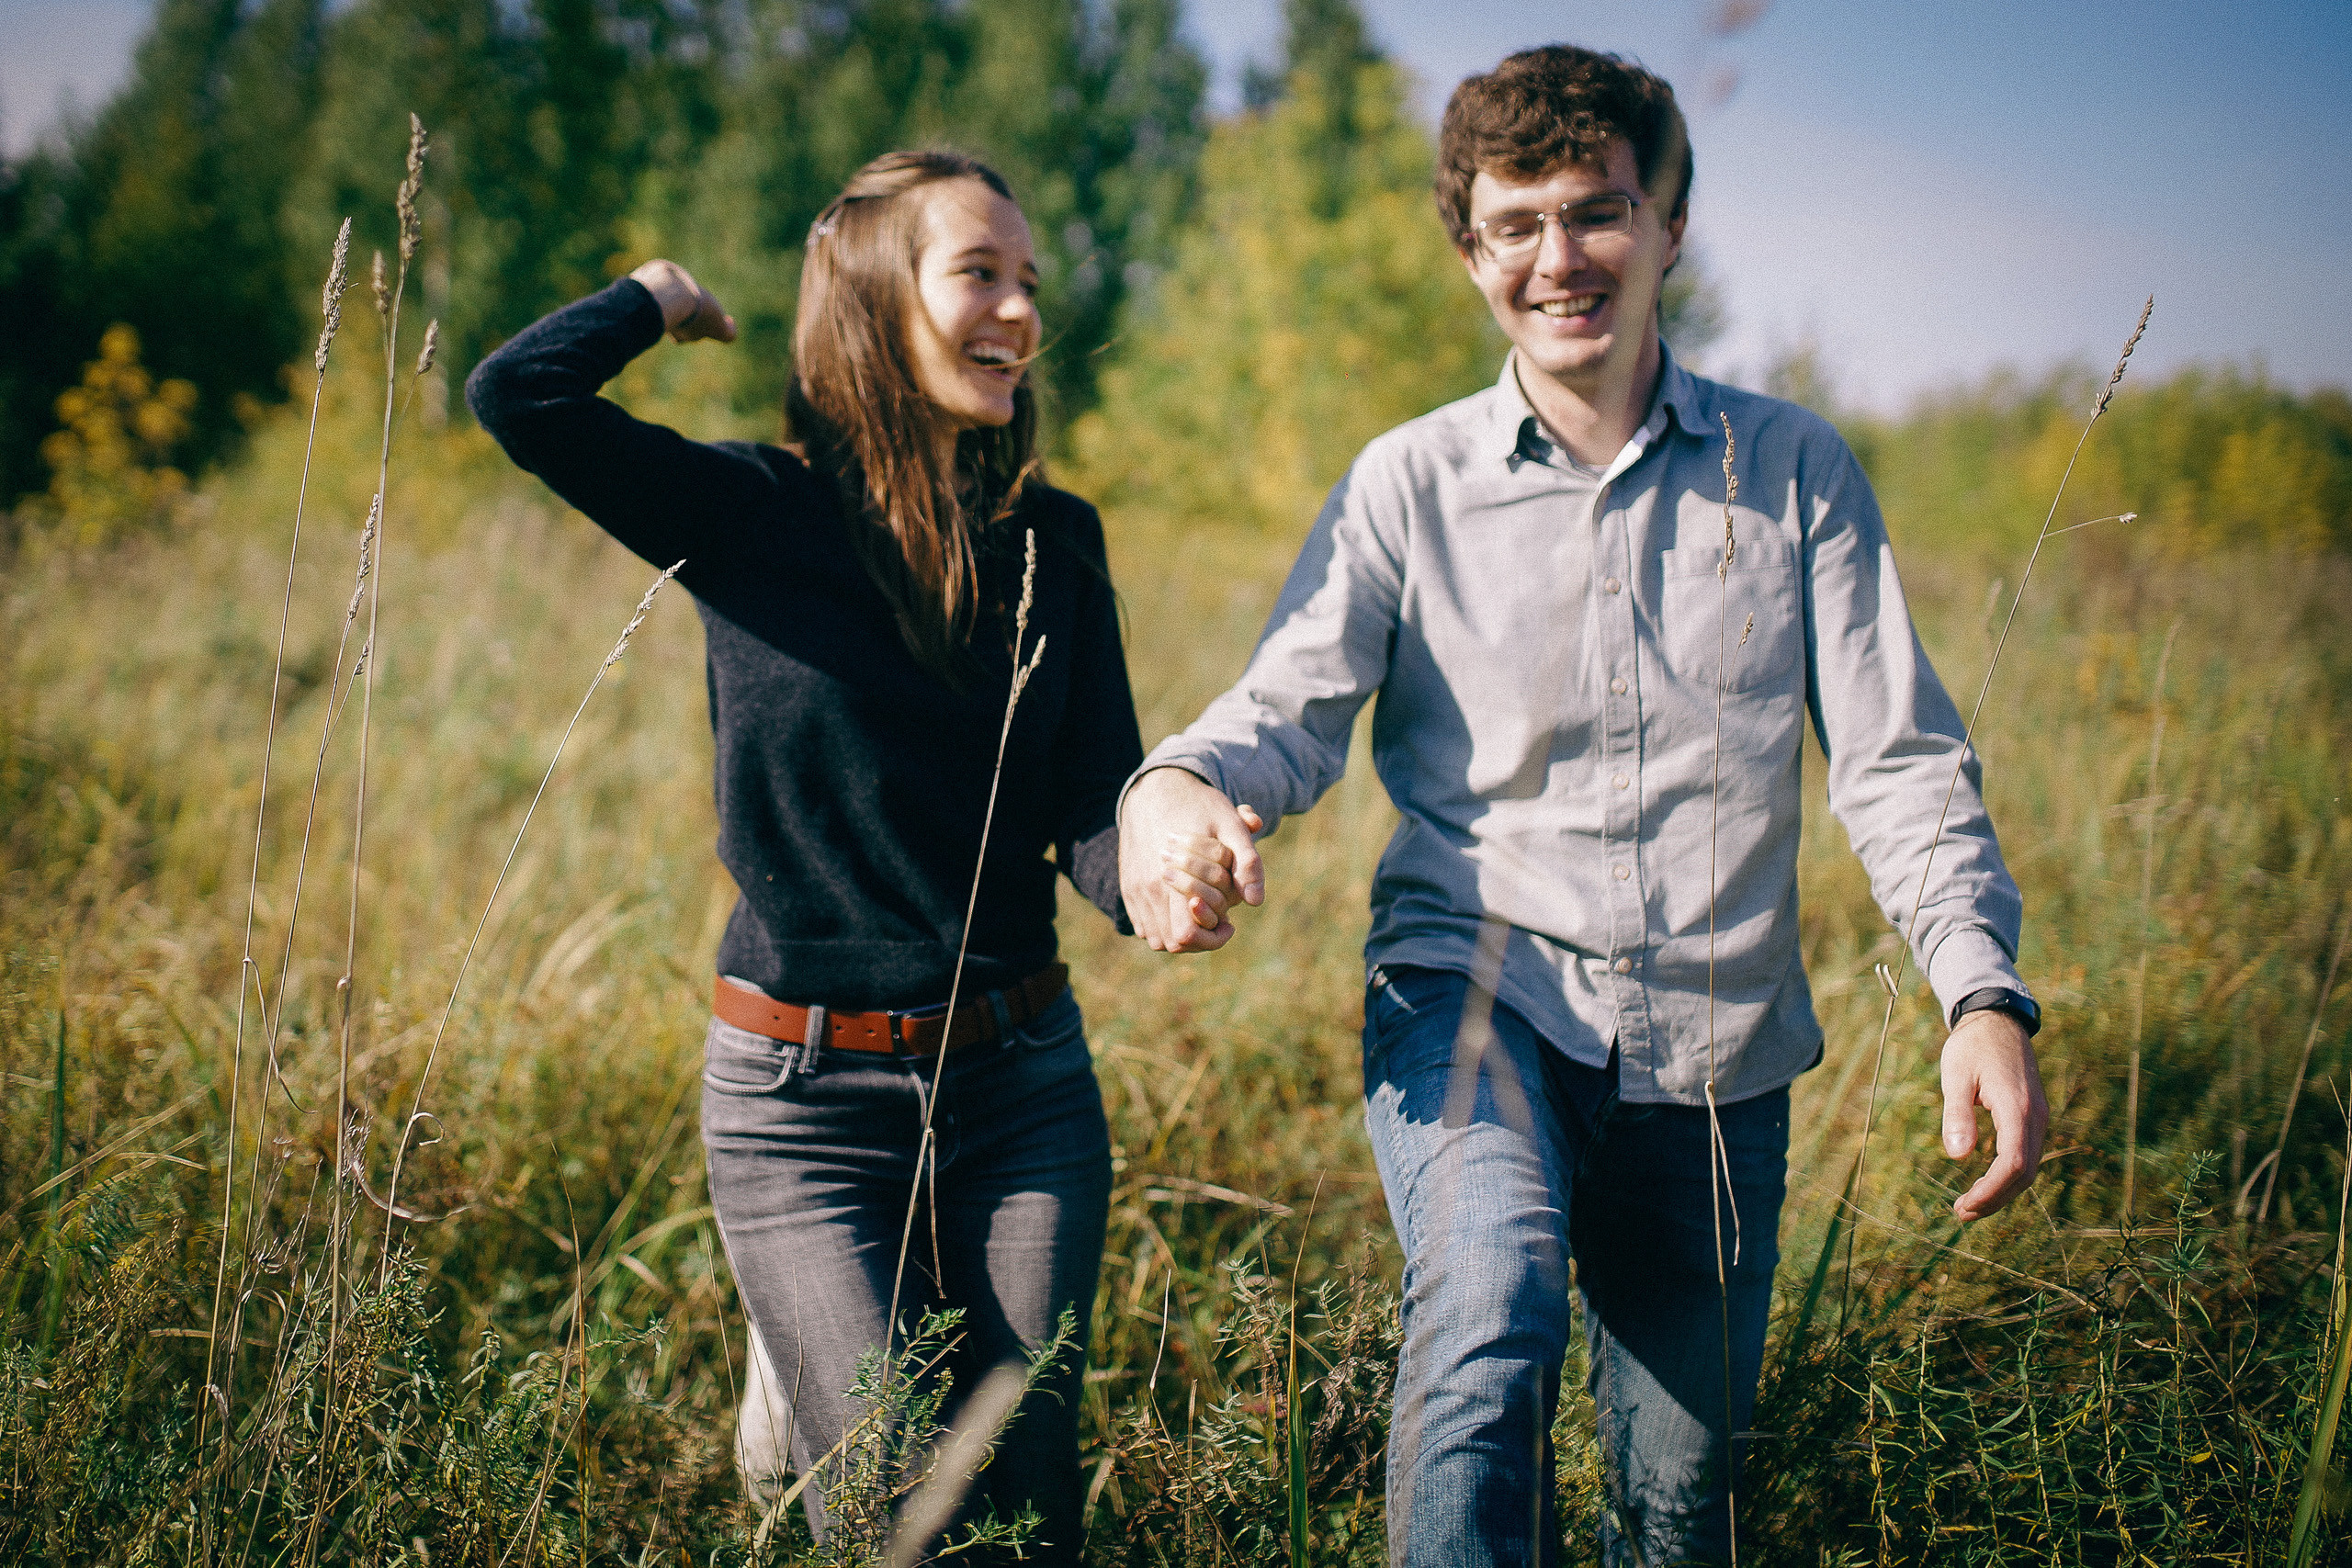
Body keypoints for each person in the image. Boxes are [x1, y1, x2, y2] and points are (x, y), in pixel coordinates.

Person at [1117, 45, 2049, 1568]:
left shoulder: (1796, 472)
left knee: (1678, 1519)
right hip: (1476, 997)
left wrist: (1980, 991)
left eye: (1601, 212)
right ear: (1471, 250)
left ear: (1670, 224)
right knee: (1486, 1319)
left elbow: (1897, 759)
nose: (1563, 259)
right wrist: (1179, 787)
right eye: (1519, 224)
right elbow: (1281, 709)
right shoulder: (1405, 484)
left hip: (1719, 1052)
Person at [467, 149, 1139, 1562]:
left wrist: (1158, 865)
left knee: (1023, 1511)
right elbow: (517, 397)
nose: (1020, 311)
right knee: (894, 1509)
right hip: (803, 1110)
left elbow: (1091, 803)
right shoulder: (752, 515)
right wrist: (654, 298)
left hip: (1021, 1089)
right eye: (979, 275)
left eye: (1029, 283)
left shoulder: (1053, 545)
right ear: (875, 302)